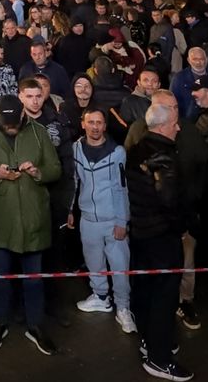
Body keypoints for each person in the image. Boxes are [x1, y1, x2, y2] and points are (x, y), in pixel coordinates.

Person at [0, 93, 61, 357]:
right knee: (0, 276)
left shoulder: (39, 132)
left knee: (33, 277)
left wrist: (37, 172)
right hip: (2, 217)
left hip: (34, 216)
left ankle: (35, 324)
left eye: (14, 122)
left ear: (23, 114)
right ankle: (0, 321)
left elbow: (55, 168)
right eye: (5, 122)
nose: (9, 127)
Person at [129, 102, 193, 382]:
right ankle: (159, 358)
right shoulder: (164, 156)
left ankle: (150, 341)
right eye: (175, 123)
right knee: (164, 297)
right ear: (163, 125)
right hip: (162, 237)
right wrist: (182, 228)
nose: (178, 127)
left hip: (141, 234)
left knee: (144, 292)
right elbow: (170, 201)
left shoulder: (135, 149)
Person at [70, 107, 134, 331]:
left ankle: (123, 308)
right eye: (91, 122)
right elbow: (75, 183)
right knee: (94, 263)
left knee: (119, 267)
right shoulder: (76, 149)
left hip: (111, 220)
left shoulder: (117, 152)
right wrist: (70, 210)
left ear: (105, 126)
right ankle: (100, 296)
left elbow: (121, 188)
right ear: (83, 124)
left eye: (99, 122)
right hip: (88, 219)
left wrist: (121, 221)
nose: (95, 127)